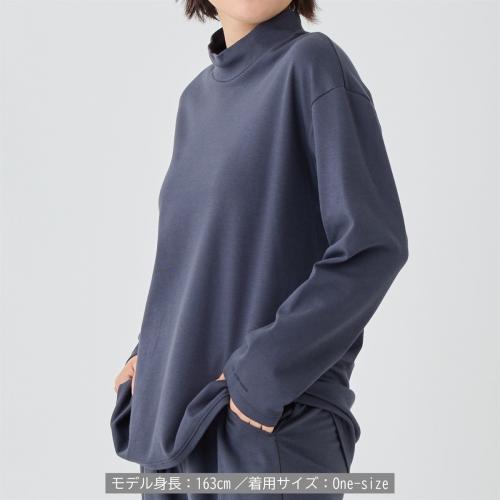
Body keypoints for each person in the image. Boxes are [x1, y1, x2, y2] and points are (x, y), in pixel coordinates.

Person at [110, 1, 409, 499]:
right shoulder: (195, 100)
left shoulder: (312, 64)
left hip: (270, 426)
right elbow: (201, 255)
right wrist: (150, 353)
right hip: (171, 430)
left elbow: (372, 244)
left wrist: (261, 376)